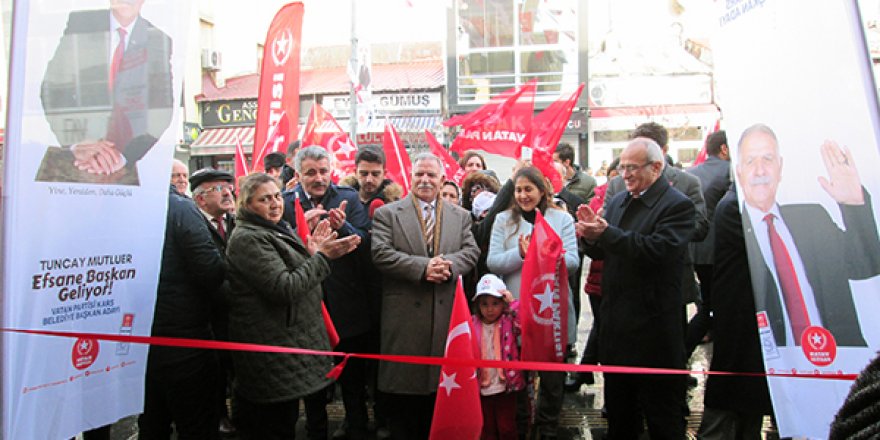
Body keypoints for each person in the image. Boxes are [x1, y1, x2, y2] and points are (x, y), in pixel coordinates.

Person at [225, 173, 360, 440]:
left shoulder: (273, 228)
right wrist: (321, 257)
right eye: (265, 199)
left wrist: (310, 253)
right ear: (247, 204)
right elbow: (284, 287)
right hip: (271, 351)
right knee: (274, 426)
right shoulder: (249, 238)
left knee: (285, 420)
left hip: (287, 346)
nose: (275, 204)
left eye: (277, 196)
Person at [577, 137, 695, 439]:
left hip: (654, 334)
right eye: (622, 167)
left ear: (656, 167)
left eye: (632, 168)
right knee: (620, 417)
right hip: (618, 332)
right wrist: (592, 236)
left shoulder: (678, 206)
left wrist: (608, 233)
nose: (625, 174)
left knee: (663, 419)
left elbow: (658, 251)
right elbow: (604, 252)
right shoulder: (618, 201)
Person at [735, 123, 880, 347]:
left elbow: (864, 265)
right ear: (739, 172)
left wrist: (853, 203)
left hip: (839, 361)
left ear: (780, 168)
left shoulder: (813, 218)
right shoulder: (733, 227)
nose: (760, 170)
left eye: (768, 159)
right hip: (777, 371)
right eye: (750, 161)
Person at [371, 153, 480, 439]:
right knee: (404, 409)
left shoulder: (461, 216)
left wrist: (448, 266)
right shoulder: (388, 214)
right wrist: (423, 268)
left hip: (446, 321)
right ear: (410, 177)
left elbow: (471, 252)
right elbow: (380, 254)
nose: (425, 180)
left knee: (440, 401)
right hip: (404, 323)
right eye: (419, 174)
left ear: (442, 179)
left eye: (431, 175)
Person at [281, 146, 373, 440]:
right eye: (310, 173)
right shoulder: (283, 204)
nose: (319, 178)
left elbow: (368, 245)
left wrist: (342, 225)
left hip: (347, 307)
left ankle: (357, 429)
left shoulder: (347, 197)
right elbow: (276, 251)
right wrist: (300, 232)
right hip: (307, 308)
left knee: (353, 384)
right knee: (314, 385)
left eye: (323, 171)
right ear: (298, 175)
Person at [486, 166, 579, 439]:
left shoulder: (561, 220)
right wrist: (520, 253)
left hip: (554, 312)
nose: (523, 195)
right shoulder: (503, 220)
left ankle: (549, 427)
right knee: (518, 378)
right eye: (518, 189)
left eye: (529, 189)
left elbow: (573, 261)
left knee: (552, 380)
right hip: (518, 312)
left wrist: (544, 253)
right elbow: (493, 261)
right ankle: (522, 425)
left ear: (542, 190)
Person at [38, 0, 173, 184]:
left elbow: (162, 111)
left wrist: (124, 157)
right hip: (76, 163)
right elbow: (52, 89)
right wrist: (77, 143)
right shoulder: (82, 24)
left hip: (123, 168)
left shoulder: (159, 39)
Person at [138, 176, 226, 439]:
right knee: (195, 422)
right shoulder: (179, 208)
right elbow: (210, 269)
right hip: (184, 337)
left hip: (138, 338)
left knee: (152, 420)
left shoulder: (122, 205)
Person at [698, 184, 773, 440]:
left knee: (748, 400)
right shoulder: (736, 204)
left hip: (750, 316)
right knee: (729, 396)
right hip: (739, 315)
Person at [189, 168, 237, 436]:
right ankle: (218, 413)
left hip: (236, 308)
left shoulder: (234, 221)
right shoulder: (194, 225)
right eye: (218, 189)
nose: (228, 193)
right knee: (215, 369)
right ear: (200, 199)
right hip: (209, 311)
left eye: (228, 187)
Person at [685, 130, 731, 355]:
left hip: (695, 249)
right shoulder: (729, 172)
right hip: (720, 251)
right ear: (724, 148)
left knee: (707, 301)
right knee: (712, 306)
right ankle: (682, 351)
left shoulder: (692, 173)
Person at [469, 274, 525, 440]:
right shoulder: (472, 324)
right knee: (487, 428)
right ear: (477, 305)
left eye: (495, 303)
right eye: (484, 304)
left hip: (506, 386)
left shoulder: (508, 321)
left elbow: (523, 324)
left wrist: (513, 303)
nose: (490, 309)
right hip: (482, 386)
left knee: (506, 427)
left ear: (503, 303)